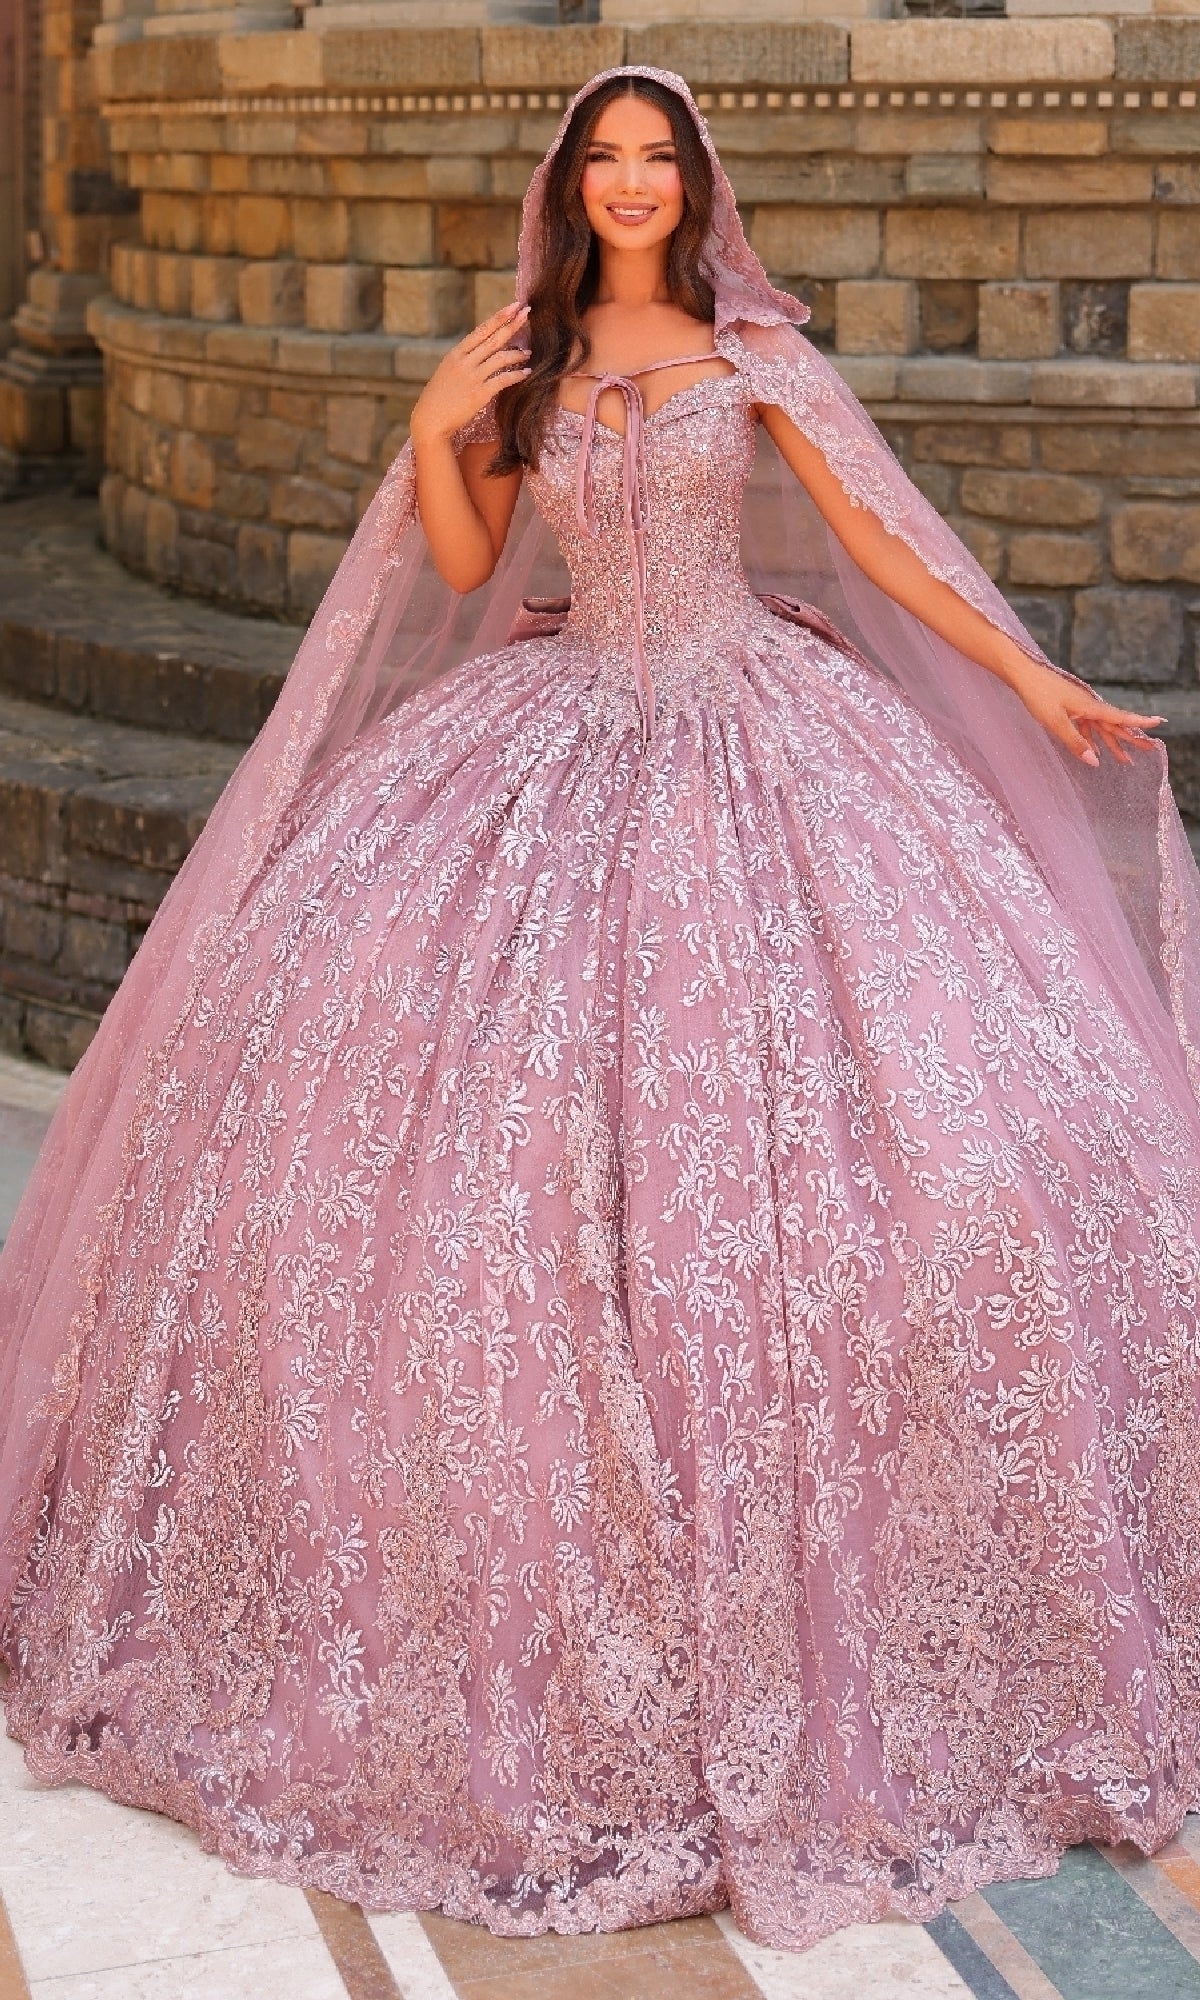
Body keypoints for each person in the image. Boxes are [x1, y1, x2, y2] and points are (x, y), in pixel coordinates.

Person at [2, 63, 1200, 1955]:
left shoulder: (753, 352)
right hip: (558, 731)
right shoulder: (527, 358)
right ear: (571, 186)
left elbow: (885, 540)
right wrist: (429, 423)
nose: (634, 184)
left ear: (697, 186)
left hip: (745, 722)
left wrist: (1036, 683)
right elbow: (475, 569)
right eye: (607, 160)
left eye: (661, 159)